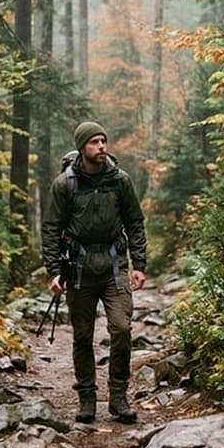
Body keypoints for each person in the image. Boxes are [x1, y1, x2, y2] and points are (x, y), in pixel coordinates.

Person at [40, 121, 148, 424]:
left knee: (122, 329)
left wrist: (139, 265)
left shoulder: (121, 180)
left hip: (115, 267)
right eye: (94, 142)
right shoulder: (65, 184)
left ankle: (118, 398)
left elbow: (135, 223)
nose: (101, 146)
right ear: (82, 147)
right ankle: (87, 399)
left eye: (103, 140)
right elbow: (52, 229)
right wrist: (54, 271)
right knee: (82, 336)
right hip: (78, 269)